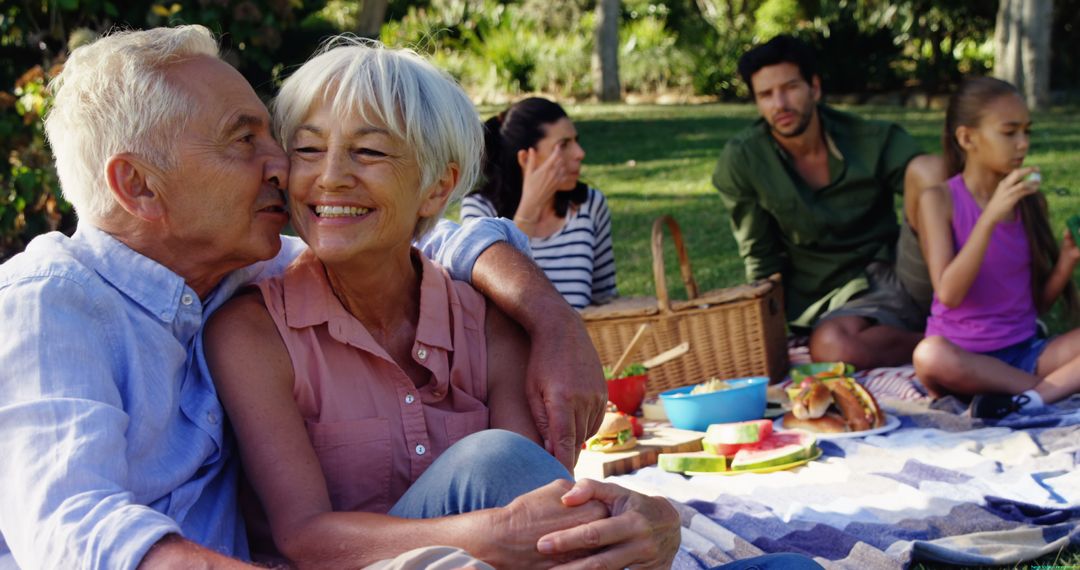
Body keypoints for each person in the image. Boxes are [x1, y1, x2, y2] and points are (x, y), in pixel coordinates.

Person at [0, 25, 608, 568]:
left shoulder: (248, 266)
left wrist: (555, 323)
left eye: (276, 138)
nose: (285, 167)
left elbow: (422, 234)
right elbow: (75, 532)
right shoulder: (46, 306)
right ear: (139, 186)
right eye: (245, 141)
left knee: (503, 476)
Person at [204, 39, 683, 569]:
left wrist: (651, 520)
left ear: (437, 188)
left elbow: (544, 510)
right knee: (490, 461)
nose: (331, 176)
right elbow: (304, 538)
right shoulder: (252, 332)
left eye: (368, 151)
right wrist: (489, 535)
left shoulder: (487, 321)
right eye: (309, 149)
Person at [712, 34, 946, 369]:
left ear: (815, 88)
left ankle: (969, 311)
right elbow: (760, 257)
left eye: (790, 87)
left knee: (929, 169)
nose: (780, 104)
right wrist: (766, 329)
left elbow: (948, 191)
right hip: (832, 297)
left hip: (903, 271)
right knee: (832, 347)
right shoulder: (744, 160)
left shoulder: (868, 138)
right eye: (766, 95)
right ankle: (958, 344)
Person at [911, 76, 1080, 419]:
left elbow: (1033, 306)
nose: (1022, 144)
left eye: (1027, 132)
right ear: (967, 137)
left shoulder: (1030, 204)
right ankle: (1048, 390)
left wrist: (1066, 262)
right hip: (962, 358)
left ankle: (1028, 395)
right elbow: (949, 294)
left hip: (1024, 353)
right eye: (1009, 132)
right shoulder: (939, 200)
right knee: (929, 355)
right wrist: (989, 218)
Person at [463, 97, 618, 309]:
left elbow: (605, 300)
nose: (579, 154)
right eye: (563, 145)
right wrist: (530, 207)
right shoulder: (480, 210)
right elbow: (486, 306)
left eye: (576, 141)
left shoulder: (588, 205)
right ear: (526, 158)